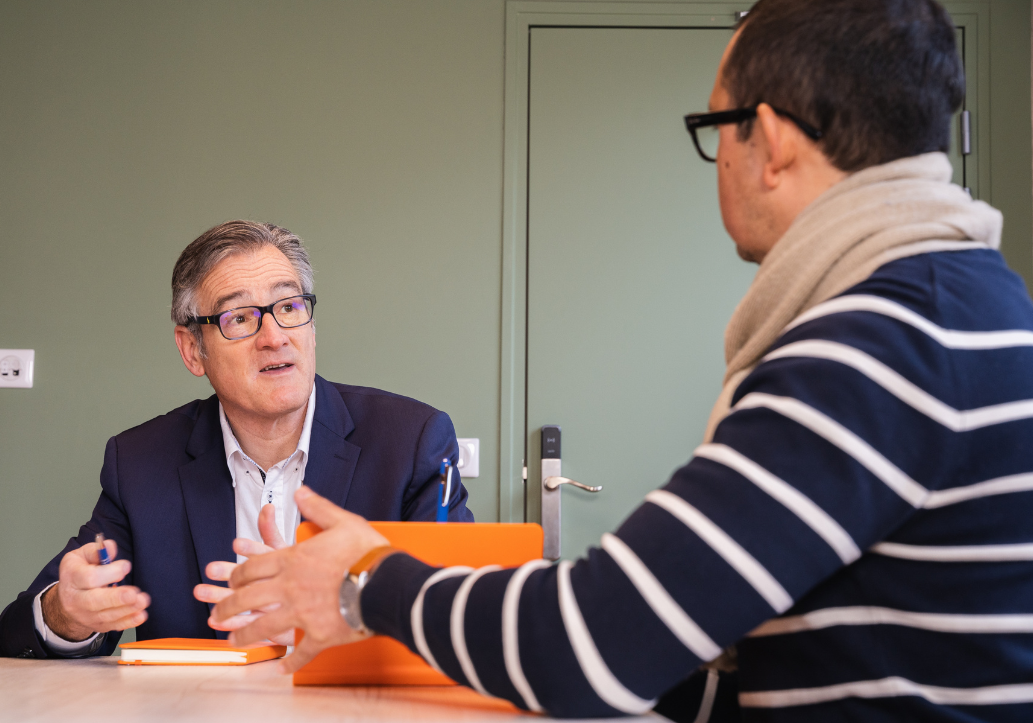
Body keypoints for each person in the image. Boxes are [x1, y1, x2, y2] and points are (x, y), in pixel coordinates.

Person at [215, 0, 1033, 720]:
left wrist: (368, 583)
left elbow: (590, 643)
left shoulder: (877, 342)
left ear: (773, 142)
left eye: (717, 130)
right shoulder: (963, 307)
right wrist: (623, 638)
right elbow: (744, 673)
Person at [0, 220, 473, 660]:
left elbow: (460, 619)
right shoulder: (141, 464)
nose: (274, 336)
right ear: (193, 350)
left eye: (289, 308)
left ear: (311, 327)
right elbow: (17, 635)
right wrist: (66, 613)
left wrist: (344, 607)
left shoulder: (411, 442)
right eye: (240, 317)